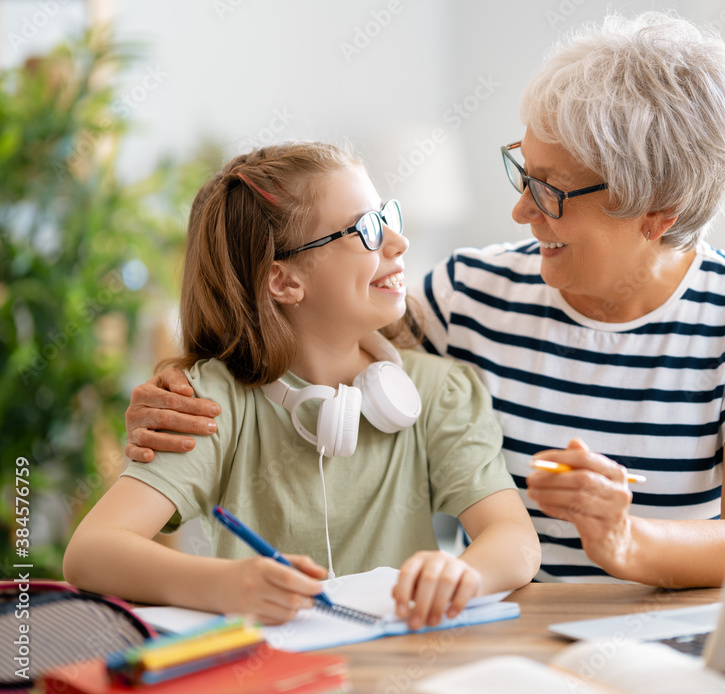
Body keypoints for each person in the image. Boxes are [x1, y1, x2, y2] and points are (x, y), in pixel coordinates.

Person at [121, 11, 725, 588]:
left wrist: (626, 541)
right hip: (503, 641)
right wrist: (182, 384)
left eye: (550, 191)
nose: (521, 211)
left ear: (656, 213)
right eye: (524, 169)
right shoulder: (469, 294)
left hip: (669, 641)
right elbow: (310, 340)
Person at [63, 142, 540, 627]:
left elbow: (516, 542)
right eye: (367, 230)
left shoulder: (440, 391)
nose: (398, 242)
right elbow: (90, 552)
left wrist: (462, 575)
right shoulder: (210, 401)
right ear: (284, 282)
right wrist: (225, 585)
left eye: (387, 216)